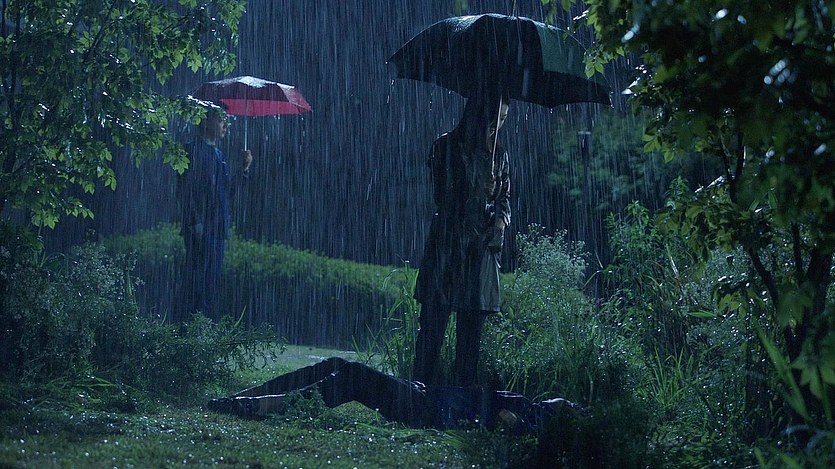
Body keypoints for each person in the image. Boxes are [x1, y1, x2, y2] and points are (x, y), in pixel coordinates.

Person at [206, 357, 577, 436]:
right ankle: (249, 395)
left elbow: (508, 426)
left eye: (571, 408)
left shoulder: (532, 420)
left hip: (428, 411)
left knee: (352, 376)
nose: (565, 402)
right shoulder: (529, 404)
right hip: (423, 395)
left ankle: (259, 406)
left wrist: (511, 422)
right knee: (337, 365)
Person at [412, 91, 511, 386]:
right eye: (494, 119)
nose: (497, 126)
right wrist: (476, 187)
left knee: (471, 335)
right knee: (432, 326)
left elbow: (505, 201)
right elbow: (443, 196)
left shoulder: (499, 155)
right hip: (448, 247)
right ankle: (420, 392)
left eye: (503, 120)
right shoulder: (445, 147)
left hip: (480, 250)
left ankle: (461, 400)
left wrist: (496, 201)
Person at [175, 104, 252, 323]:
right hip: (201, 230)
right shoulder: (191, 150)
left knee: (210, 285)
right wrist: (195, 223)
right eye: (221, 120)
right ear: (206, 122)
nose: (226, 125)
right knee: (196, 284)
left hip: (217, 230)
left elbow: (225, 193)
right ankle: (185, 328)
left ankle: (201, 330)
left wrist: (244, 169)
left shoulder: (219, 155)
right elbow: (185, 190)